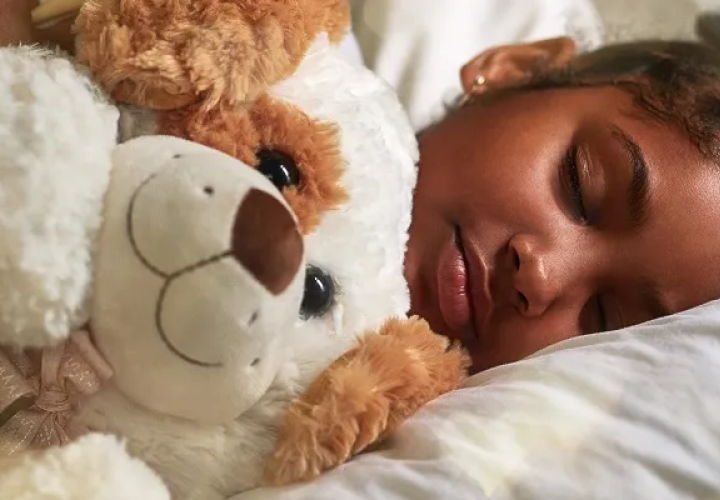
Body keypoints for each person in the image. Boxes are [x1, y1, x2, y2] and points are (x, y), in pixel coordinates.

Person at [4, 2, 720, 374]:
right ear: (513, 68)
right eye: (581, 188)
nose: (542, 273)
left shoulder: (379, 420)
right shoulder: (272, 60)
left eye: (601, 320)